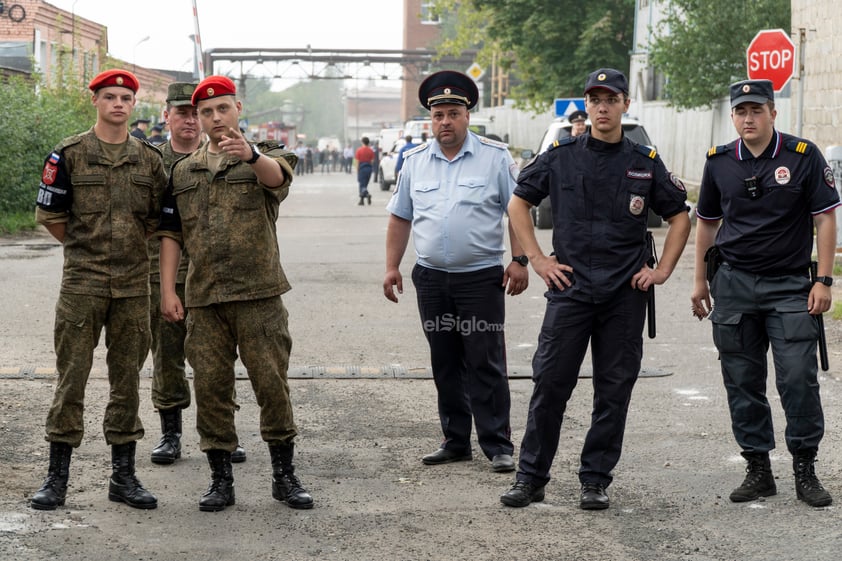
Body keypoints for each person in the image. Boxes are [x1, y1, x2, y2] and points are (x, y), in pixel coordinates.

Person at [501, 68, 691, 510]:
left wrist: (661, 270)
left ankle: (595, 479)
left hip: (624, 294)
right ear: (585, 106)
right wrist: (538, 259)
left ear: (626, 105)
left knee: (614, 389)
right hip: (570, 291)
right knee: (549, 384)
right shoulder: (560, 155)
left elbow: (680, 215)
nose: (602, 108)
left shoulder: (644, 161)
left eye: (611, 100)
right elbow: (518, 203)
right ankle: (531, 477)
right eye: (595, 100)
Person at [157, 75, 313, 512]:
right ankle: (220, 479)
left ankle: (284, 475)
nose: (214, 117)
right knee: (211, 389)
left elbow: (276, 179)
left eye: (222, 108)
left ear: (238, 109)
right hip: (204, 300)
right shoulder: (183, 171)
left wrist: (251, 153)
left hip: (258, 295)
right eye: (206, 112)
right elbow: (171, 233)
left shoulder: (267, 156)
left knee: (271, 385)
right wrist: (169, 290)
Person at [690, 79, 840, 508]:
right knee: (742, 381)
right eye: (741, 111)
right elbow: (707, 222)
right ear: (733, 115)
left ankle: (805, 469)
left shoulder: (802, 156)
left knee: (797, 378)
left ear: (773, 112)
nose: (748, 118)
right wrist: (700, 280)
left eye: (756, 110)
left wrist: (824, 280)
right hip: (734, 285)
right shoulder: (719, 162)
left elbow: (825, 219)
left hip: (790, 285)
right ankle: (758, 469)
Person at [30, 69, 166, 511]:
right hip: (82, 284)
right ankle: (57, 480)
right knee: (72, 379)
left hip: (132, 286)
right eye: (110, 96)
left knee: (126, 382)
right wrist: (86, 249)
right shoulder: (69, 154)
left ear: (133, 105)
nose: (119, 104)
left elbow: (160, 219)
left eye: (126, 98)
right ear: (96, 102)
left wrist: (126, 248)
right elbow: (51, 216)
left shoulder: (149, 159)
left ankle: (123, 478)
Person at [383, 70, 529, 474]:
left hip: (480, 280)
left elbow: (516, 211)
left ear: (467, 116)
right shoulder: (414, 162)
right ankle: (455, 440)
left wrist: (519, 261)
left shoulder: (495, 158)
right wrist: (392, 266)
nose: (444, 121)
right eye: (438, 115)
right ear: (430, 119)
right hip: (431, 279)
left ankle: (498, 444)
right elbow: (400, 217)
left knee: (484, 360)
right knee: (444, 359)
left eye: (453, 113)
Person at [146, 82, 247, 466]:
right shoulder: (150, 160)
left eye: (195, 112)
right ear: (166, 116)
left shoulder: (226, 154)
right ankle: (170, 433)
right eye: (182, 112)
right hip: (164, 273)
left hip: (214, 272)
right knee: (167, 354)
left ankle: (225, 434)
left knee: (217, 359)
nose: (190, 120)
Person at [355, 136, 375, 205]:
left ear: (362, 142)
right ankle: (362, 200)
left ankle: (366, 195)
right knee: (365, 184)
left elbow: (357, 161)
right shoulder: (371, 151)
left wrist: (357, 170)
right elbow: (372, 161)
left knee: (362, 185)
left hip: (362, 168)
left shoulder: (359, 150)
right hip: (368, 169)